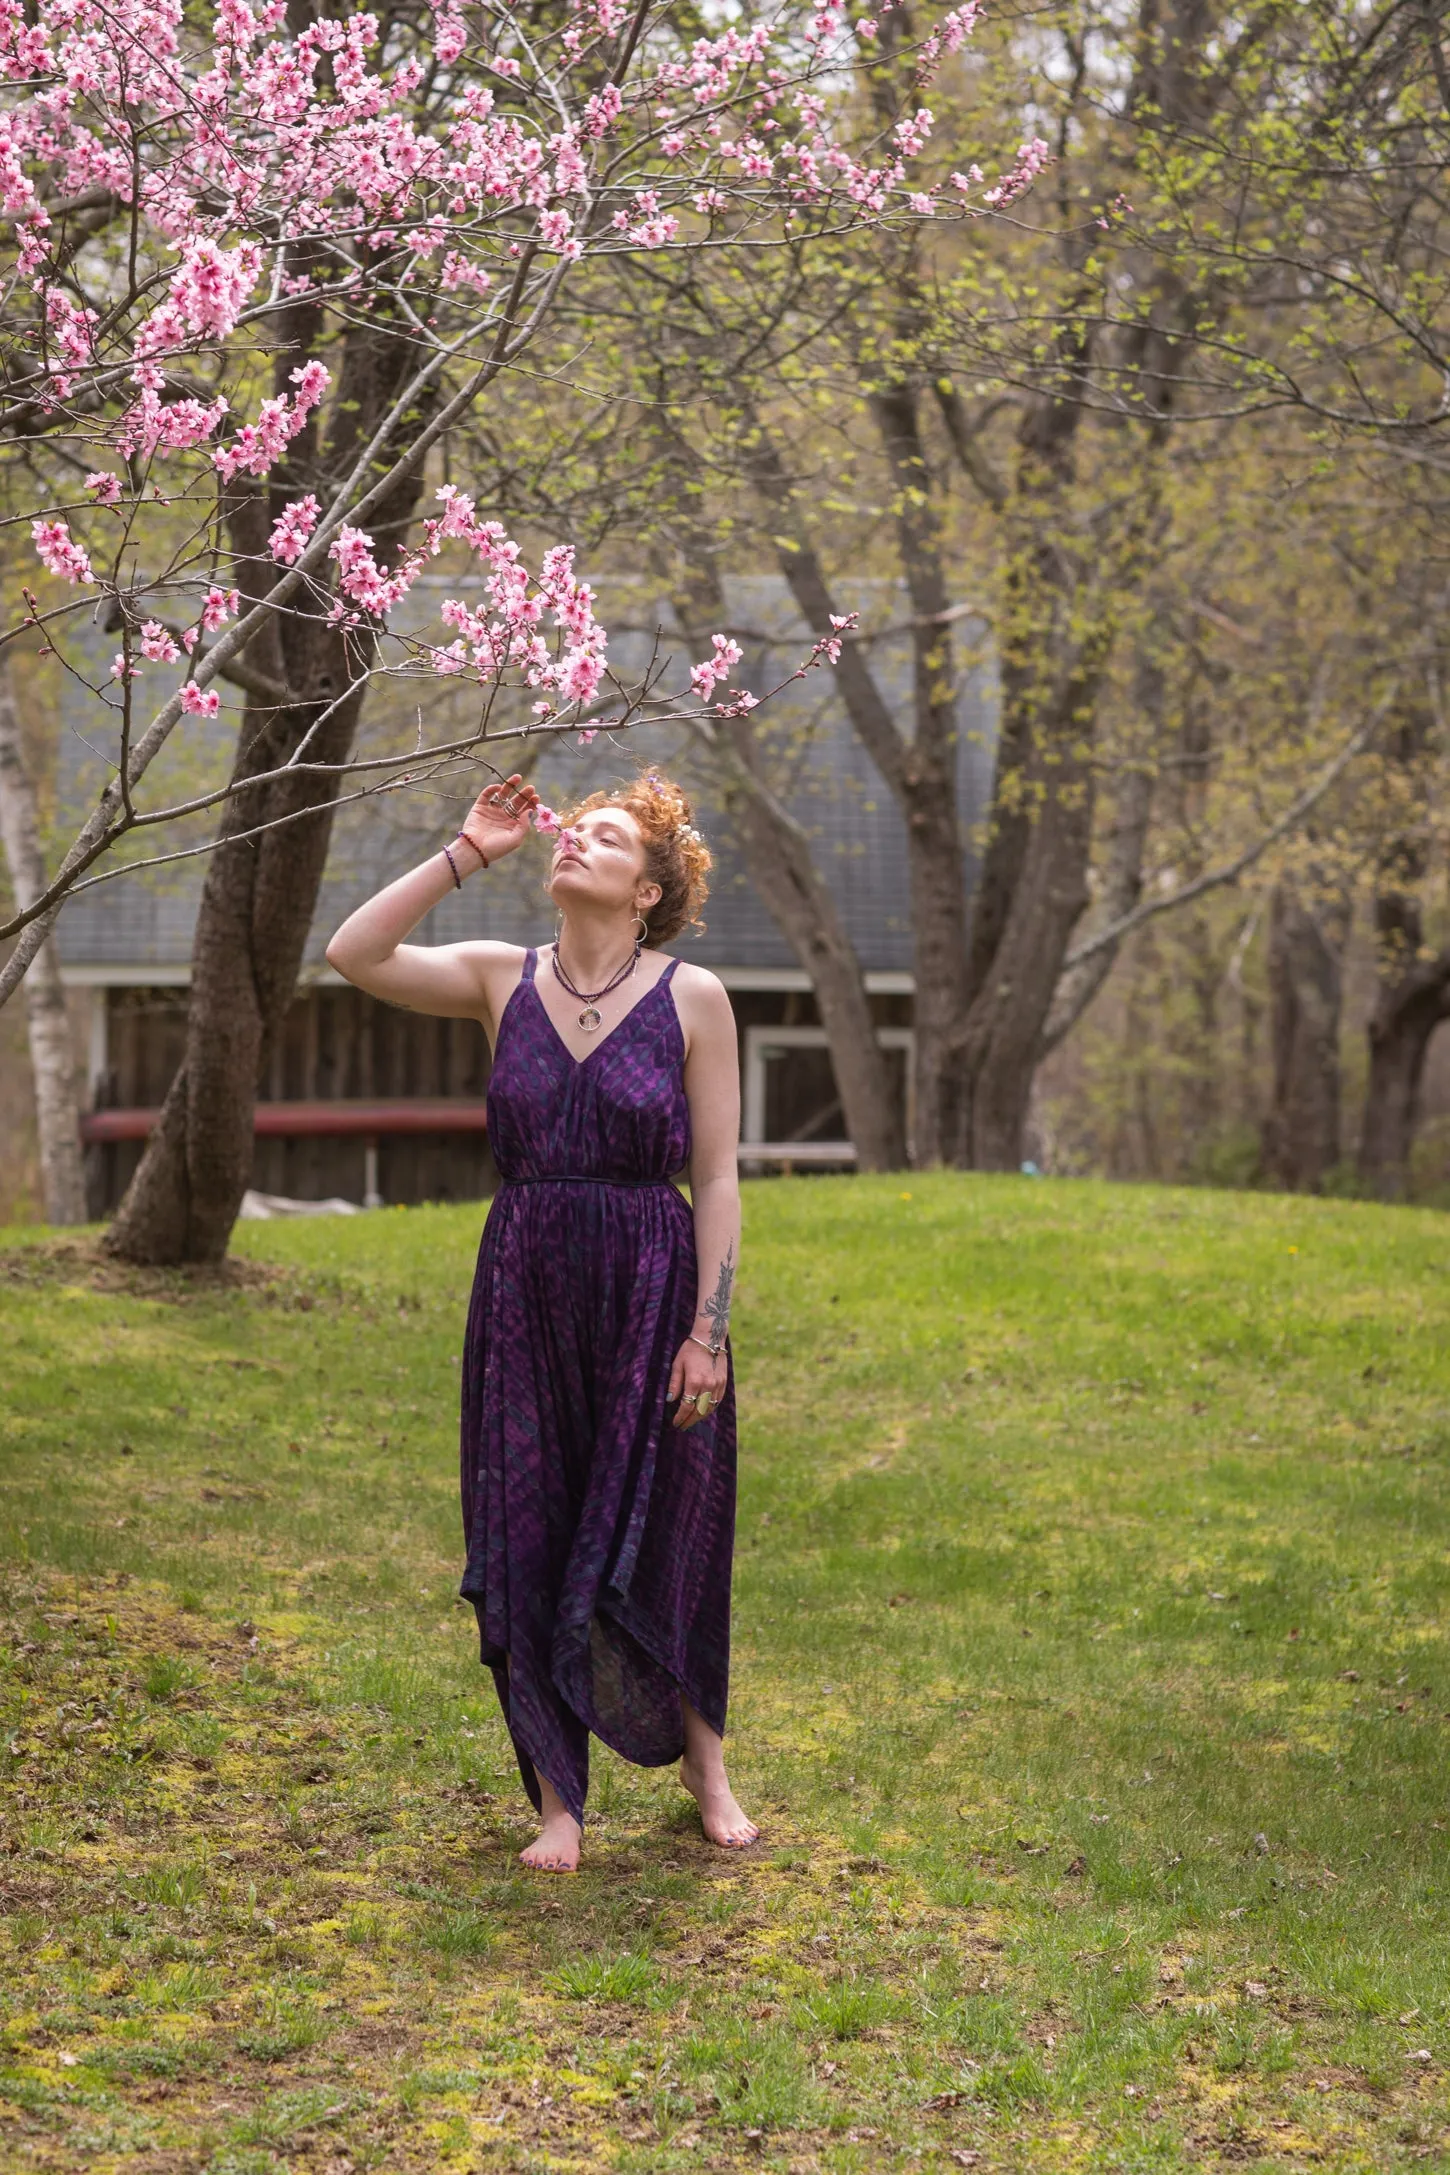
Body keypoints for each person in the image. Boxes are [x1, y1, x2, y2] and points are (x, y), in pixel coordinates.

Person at [325, 768, 757, 1872]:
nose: (572, 842)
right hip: (524, 1288)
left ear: (647, 891)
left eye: (603, 839)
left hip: (652, 1289)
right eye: (573, 833)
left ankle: (705, 1765)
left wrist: (706, 1330)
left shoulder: (694, 997)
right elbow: (353, 954)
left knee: (672, 1523)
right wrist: (469, 850)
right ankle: (557, 1800)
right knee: (528, 1527)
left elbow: (715, 1178)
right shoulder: (496, 980)